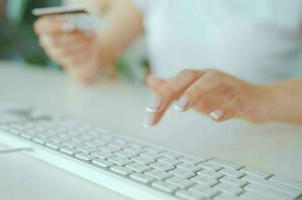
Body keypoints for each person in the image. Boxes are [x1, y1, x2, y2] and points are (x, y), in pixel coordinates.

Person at [34, 0, 302, 126]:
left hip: (270, 142)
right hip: (168, 140)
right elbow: (90, 67)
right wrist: (74, 50)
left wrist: (262, 97)